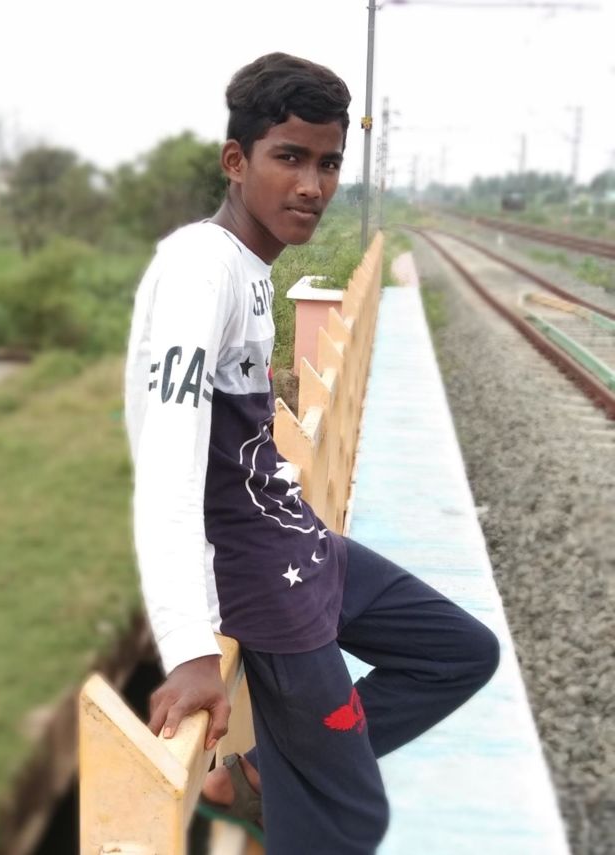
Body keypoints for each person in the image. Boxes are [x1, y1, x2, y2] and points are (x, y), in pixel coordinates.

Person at [124, 52, 500, 855]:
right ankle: (301, 788)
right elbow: (166, 466)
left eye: (328, 163)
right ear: (236, 161)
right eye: (289, 157)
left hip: (296, 536)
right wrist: (191, 649)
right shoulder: (200, 271)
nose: (312, 185)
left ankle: (267, 774)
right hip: (260, 577)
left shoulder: (252, 267)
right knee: (347, 819)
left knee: (459, 652)